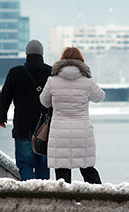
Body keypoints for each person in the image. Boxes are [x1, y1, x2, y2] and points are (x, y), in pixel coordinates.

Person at [39, 47, 105, 184]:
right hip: (82, 131)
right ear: (81, 61)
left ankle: (66, 201)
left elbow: (44, 102)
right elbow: (100, 97)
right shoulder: (87, 81)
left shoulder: (52, 81)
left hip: (59, 131)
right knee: (87, 169)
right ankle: (99, 197)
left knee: (62, 172)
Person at [0, 40, 52, 180]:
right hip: (45, 126)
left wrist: (1, 117)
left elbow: (4, 97)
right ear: (42, 53)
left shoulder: (15, 72)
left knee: (25, 164)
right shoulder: (50, 72)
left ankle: (30, 191)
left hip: (23, 124)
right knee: (43, 164)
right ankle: (44, 194)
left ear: (26, 54)